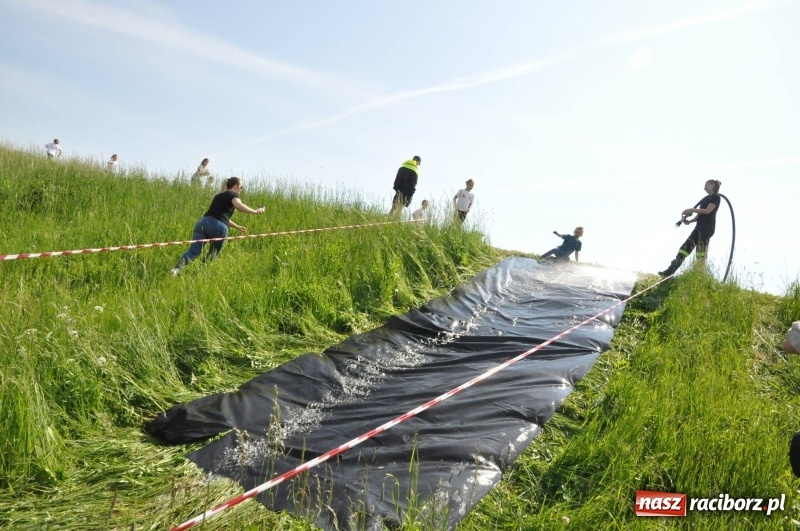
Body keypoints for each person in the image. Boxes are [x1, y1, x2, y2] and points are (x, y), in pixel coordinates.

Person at [171, 177, 264, 275]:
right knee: (212, 253)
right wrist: (256, 211)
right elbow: (238, 206)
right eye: (241, 187)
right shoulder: (233, 194)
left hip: (202, 223)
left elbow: (219, 216)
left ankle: (176, 270)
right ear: (236, 186)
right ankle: (200, 274)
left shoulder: (218, 196)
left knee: (193, 251)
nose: (241, 190)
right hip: (218, 228)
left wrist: (236, 226)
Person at [658, 180, 722, 277]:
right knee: (683, 249)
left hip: (706, 228)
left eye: (706, 186)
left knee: (700, 254)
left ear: (713, 185)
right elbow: (700, 215)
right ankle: (669, 272)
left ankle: (699, 277)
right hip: (699, 227)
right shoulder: (706, 199)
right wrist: (690, 221)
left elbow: (707, 211)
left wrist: (691, 209)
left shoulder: (716, 197)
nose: (704, 188)